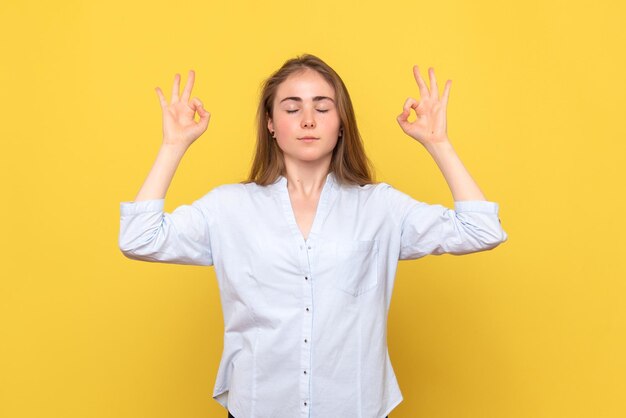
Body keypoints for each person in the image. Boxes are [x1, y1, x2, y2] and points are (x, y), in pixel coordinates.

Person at [118, 54, 508, 418]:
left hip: (356, 406)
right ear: (270, 123)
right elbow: (139, 238)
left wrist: (438, 143)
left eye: (322, 107)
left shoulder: (380, 208)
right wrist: (173, 146)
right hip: (258, 406)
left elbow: (481, 230)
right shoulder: (229, 208)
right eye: (292, 108)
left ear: (341, 124)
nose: (308, 119)